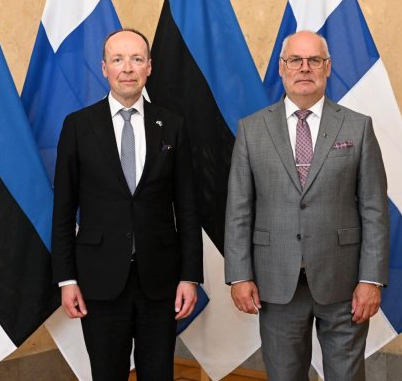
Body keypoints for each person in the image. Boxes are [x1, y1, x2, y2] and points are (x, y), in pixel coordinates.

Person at [224, 30, 389, 381]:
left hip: (344, 283)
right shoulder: (251, 130)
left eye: (314, 60)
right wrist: (239, 275)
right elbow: (239, 210)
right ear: (281, 67)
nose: (304, 68)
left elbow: (374, 209)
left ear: (327, 67)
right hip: (275, 283)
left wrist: (371, 280)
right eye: (295, 60)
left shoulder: (358, 127)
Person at [52, 28, 203, 380]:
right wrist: (66, 279)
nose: (128, 68)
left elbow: (188, 207)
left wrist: (190, 276)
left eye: (136, 59)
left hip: (160, 280)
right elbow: (63, 210)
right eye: (118, 60)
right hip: (99, 280)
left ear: (149, 66)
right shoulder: (78, 126)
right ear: (104, 67)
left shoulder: (173, 125)